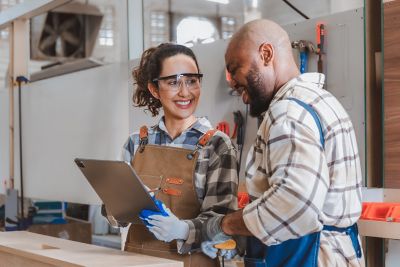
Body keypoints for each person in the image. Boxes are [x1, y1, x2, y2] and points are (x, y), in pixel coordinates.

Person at [201, 19, 365, 267]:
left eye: (236, 68)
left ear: (266, 54)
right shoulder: (321, 100)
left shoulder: (287, 113)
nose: (232, 81)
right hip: (335, 252)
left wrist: (224, 225)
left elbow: (294, 204)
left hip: (310, 256)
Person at [103, 43, 239, 267]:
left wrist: (183, 230)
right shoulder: (136, 143)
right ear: (154, 89)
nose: (185, 92)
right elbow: (114, 218)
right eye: (173, 82)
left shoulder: (217, 146)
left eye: (192, 80)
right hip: (137, 262)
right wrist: (116, 204)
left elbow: (223, 225)